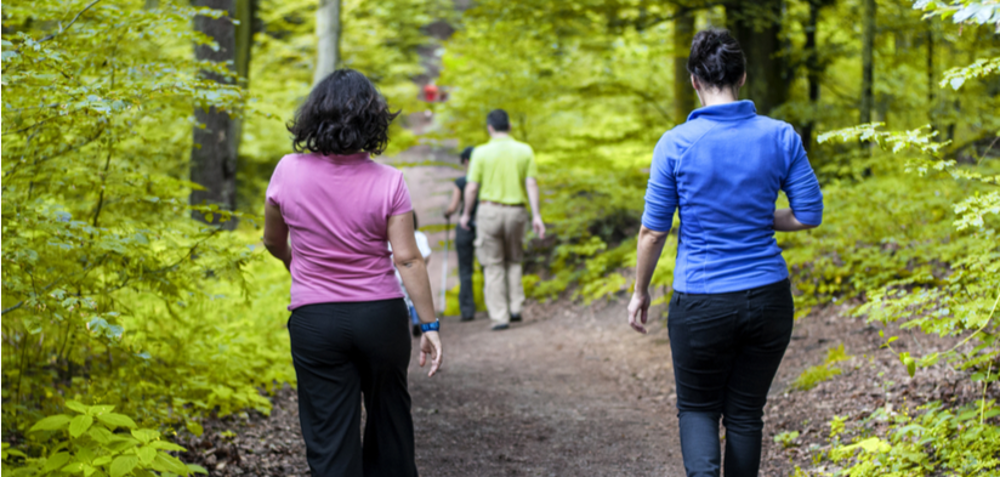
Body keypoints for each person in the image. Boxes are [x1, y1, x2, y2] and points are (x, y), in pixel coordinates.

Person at [627, 29, 823, 477]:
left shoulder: (675, 144)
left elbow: (653, 233)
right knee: (745, 413)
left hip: (701, 302)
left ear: (694, 80)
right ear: (744, 77)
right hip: (769, 299)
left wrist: (640, 291)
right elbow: (808, 214)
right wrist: (755, 216)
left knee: (697, 408)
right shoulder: (781, 136)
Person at [262, 68, 442, 477]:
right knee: (390, 419)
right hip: (379, 316)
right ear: (373, 121)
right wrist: (428, 323)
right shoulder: (390, 181)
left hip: (314, 319)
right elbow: (408, 258)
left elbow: (273, 240)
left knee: (329, 435)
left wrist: (298, 265)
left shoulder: (287, 171)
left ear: (314, 118)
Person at [459, 110, 545, 331]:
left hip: (489, 212)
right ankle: (516, 307)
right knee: (514, 260)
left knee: (493, 264)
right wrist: (536, 215)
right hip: (516, 212)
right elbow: (531, 184)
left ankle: (500, 317)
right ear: (510, 126)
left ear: (490, 128)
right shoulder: (524, 150)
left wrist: (466, 214)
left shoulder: (480, 152)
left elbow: (471, 188)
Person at [444, 146, 478, 321]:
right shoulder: (485, 181)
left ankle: (467, 310)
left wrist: (447, 213)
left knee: (465, 270)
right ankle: (496, 306)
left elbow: (453, 207)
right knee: (491, 267)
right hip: (483, 226)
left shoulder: (461, 182)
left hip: (465, 229)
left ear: (465, 161)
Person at [389, 212, 433, 336]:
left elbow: (390, 257)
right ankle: (416, 320)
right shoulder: (419, 236)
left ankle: (404, 325)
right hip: (414, 273)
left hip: (398, 273)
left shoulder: (393, 238)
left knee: (404, 300)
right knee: (415, 298)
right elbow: (426, 255)